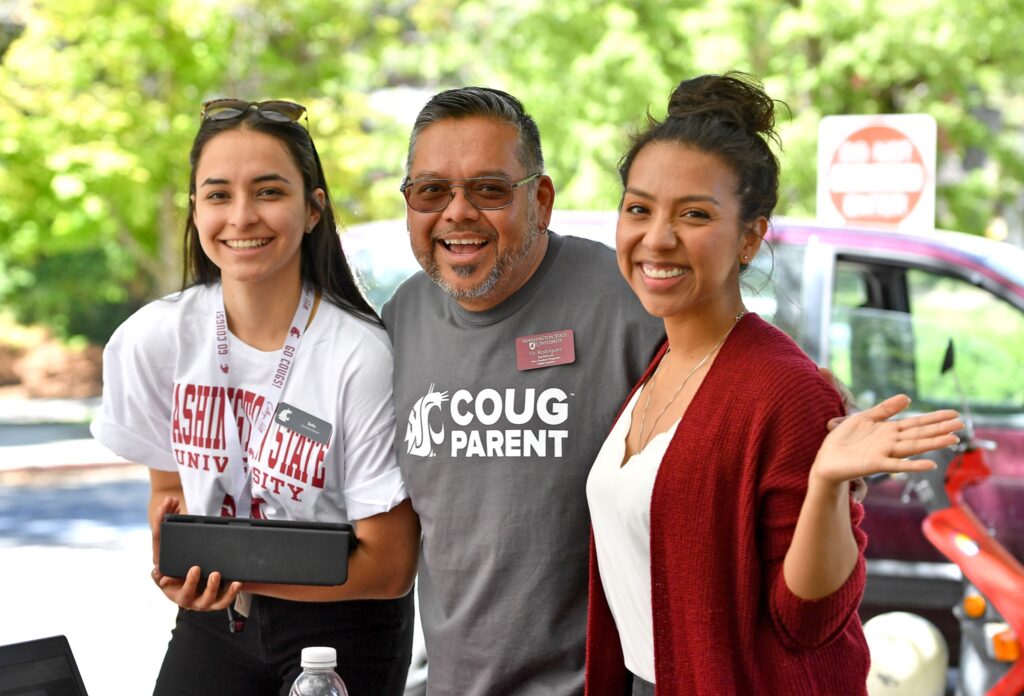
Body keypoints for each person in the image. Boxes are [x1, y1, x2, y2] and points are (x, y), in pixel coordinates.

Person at [583, 73, 963, 695]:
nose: (657, 237)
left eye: (695, 214)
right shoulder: (663, 364)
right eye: (638, 208)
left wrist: (826, 484)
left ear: (750, 237)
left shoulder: (783, 390)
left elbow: (807, 619)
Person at [91, 99, 419, 696]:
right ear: (195, 211)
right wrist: (179, 571)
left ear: (313, 209)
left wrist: (238, 568)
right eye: (217, 195)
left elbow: (391, 564)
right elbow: (170, 492)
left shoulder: (360, 356)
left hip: (346, 624)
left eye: (269, 191)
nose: (241, 216)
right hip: (213, 617)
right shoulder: (151, 340)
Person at [381, 87, 665, 694]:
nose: (457, 213)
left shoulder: (629, 303)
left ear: (540, 199)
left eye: (488, 189)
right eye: (431, 191)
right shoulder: (400, 319)